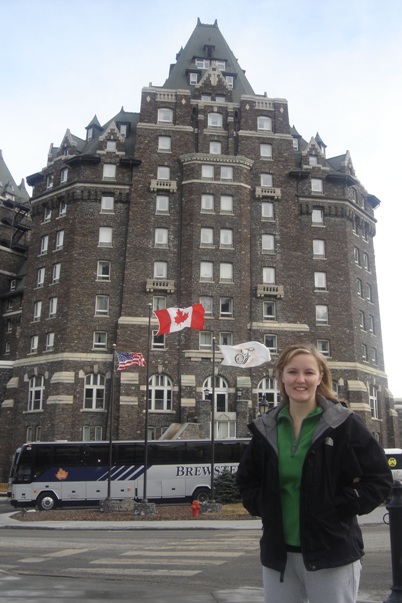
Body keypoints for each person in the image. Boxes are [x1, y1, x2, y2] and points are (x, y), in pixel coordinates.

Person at [236, 343, 393, 603]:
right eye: (293, 372)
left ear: (320, 377)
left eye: (308, 372)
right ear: (282, 377)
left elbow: (379, 478)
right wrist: (264, 505)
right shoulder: (267, 428)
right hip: (280, 559)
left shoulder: (342, 423)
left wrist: (342, 505)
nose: (301, 379)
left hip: (333, 554)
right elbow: (246, 479)